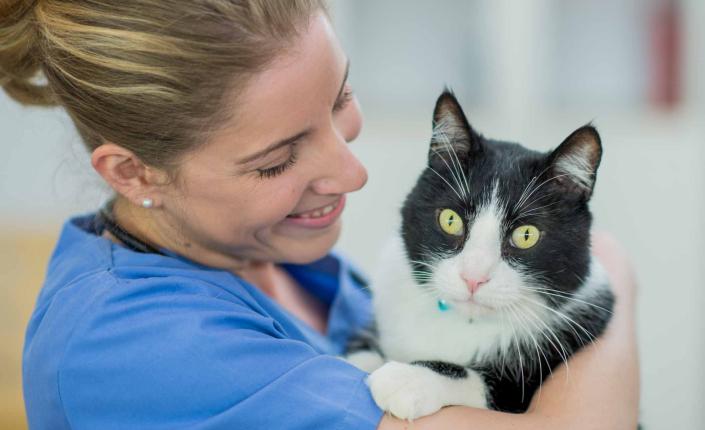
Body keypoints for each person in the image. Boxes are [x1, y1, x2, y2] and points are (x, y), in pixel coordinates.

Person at [1, 1, 639, 429]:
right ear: (135, 173)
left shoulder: (270, 251)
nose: (353, 174)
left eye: (341, 99)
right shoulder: (131, 348)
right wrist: (616, 284)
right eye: (278, 159)